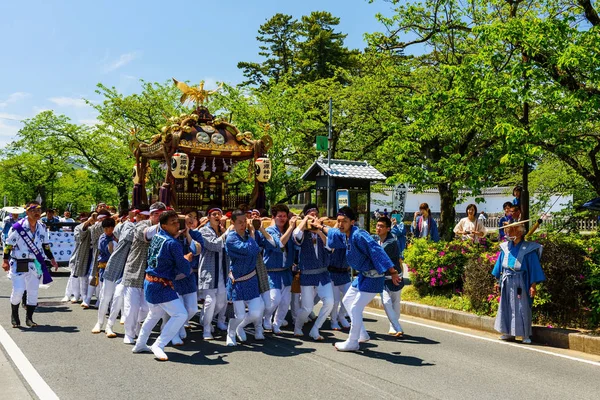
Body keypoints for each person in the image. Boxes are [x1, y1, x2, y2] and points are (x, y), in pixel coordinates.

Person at [327, 206, 401, 352]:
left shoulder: (359, 235)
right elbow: (332, 232)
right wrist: (318, 226)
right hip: (362, 275)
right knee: (348, 301)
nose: (341, 224)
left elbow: (377, 250)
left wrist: (393, 272)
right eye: (339, 221)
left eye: (345, 221)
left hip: (373, 277)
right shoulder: (345, 234)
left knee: (355, 308)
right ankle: (362, 333)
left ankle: (352, 342)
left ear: (352, 222)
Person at [133, 210, 196, 361]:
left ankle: (140, 343)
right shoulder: (172, 243)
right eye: (173, 222)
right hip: (161, 285)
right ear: (164, 226)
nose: (176, 224)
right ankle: (159, 344)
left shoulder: (157, 237)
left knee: (154, 314)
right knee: (181, 314)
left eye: (176, 221)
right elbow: (184, 269)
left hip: (150, 282)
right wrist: (186, 259)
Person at [2, 201, 58, 328]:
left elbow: (46, 245)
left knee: (33, 292)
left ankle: (29, 319)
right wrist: (5, 261)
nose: (36, 212)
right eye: (33, 210)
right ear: (26, 212)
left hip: (35, 264)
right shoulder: (18, 227)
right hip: (18, 263)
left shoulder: (42, 227)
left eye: (38, 209)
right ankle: (14, 315)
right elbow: (8, 244)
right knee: (19, 290)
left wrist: (52, 259)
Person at [92, 206, 143, 338]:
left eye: (111, 227)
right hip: (111, 268)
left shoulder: (124, 230)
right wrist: (128, 220)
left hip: (125, 269)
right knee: (105, 297)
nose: (109, 230)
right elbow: (111, 248)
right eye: (106, 228)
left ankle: (110, 325)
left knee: (118, 298)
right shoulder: (108, 235)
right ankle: (99, 322)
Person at [492, 222, 545, 344]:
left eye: (511, 230)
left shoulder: (529, 249)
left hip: (520, 280)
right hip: (506, 279)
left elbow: (534, 268)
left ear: (520, 232)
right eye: (507, 230)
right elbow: (499, 266)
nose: (508, 233)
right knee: (506, 306)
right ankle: (507, 332)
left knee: (522, 307)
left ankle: (525, 334)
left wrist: (533, 285)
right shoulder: (505, 247)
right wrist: (497, 282)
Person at [124, 202, 165, 345]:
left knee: (148, 308)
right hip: (134, 271)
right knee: (132, 306)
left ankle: (136, 324)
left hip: (152, 275)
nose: (159, 217)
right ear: (151, 214)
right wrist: (164, 224)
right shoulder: (142, 225)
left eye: (162, 215)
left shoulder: (166, 231)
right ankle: (129, 333)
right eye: (156, 214)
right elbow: (146, 234)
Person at [293, 204, 334, 341]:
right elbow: (296, 236)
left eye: (315, 213)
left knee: (329, 302)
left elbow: (330, 246)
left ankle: (315, 329)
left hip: (323, 273)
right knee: (307, 307)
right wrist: (306, 220)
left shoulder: (323, 230)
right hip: (307, 273)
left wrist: (319, 231)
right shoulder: (303, 232)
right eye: (310, 213)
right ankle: (297, 326)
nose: (314, 216)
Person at [225, 209, 265, 346]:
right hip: (238, 280)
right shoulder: (231, 238)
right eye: (240, 222)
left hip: (252, 279)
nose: (243, 225)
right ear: (233, 223)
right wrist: (253, 234)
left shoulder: (249, 235)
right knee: (239, 314)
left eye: (244, 222)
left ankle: (240, 326)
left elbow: (265, 245)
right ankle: (230, 334)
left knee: (256, 312)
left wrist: (256, 230)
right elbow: (251, 250)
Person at [262, 204, 297, 334]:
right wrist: (291, 228)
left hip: (286, 272)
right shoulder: (270, 231)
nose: (282, 219)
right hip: (272, 272)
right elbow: (279, 244)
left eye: (284, 216)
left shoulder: (289, 229)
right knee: (274, 299)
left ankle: (277, 324)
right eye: (279, 216)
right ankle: (266, 317)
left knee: (285, 302)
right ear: (273, 217)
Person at [197, 207, 231, 340]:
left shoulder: (222, 230)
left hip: (222, 271)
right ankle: (206, 329)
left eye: (219, 214)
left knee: (222, 302)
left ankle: (205, 318)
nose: (218, 216)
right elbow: (213, 245)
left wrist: (224, 231)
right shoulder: (203, 230)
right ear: (209, 217)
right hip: (209, 270)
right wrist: (226, 232)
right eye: (214, 214)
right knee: (210, 301)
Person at [374, 216, 404, 336]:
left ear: (388, 228)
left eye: (381, 226)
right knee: (386, 302)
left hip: (395, 276)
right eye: (377, 225)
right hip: (383, 278)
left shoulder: (391, 242)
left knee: (395, 301)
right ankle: (396, 325)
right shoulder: (376, 239)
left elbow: (379, 254)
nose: (378, 228)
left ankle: (393, 325)